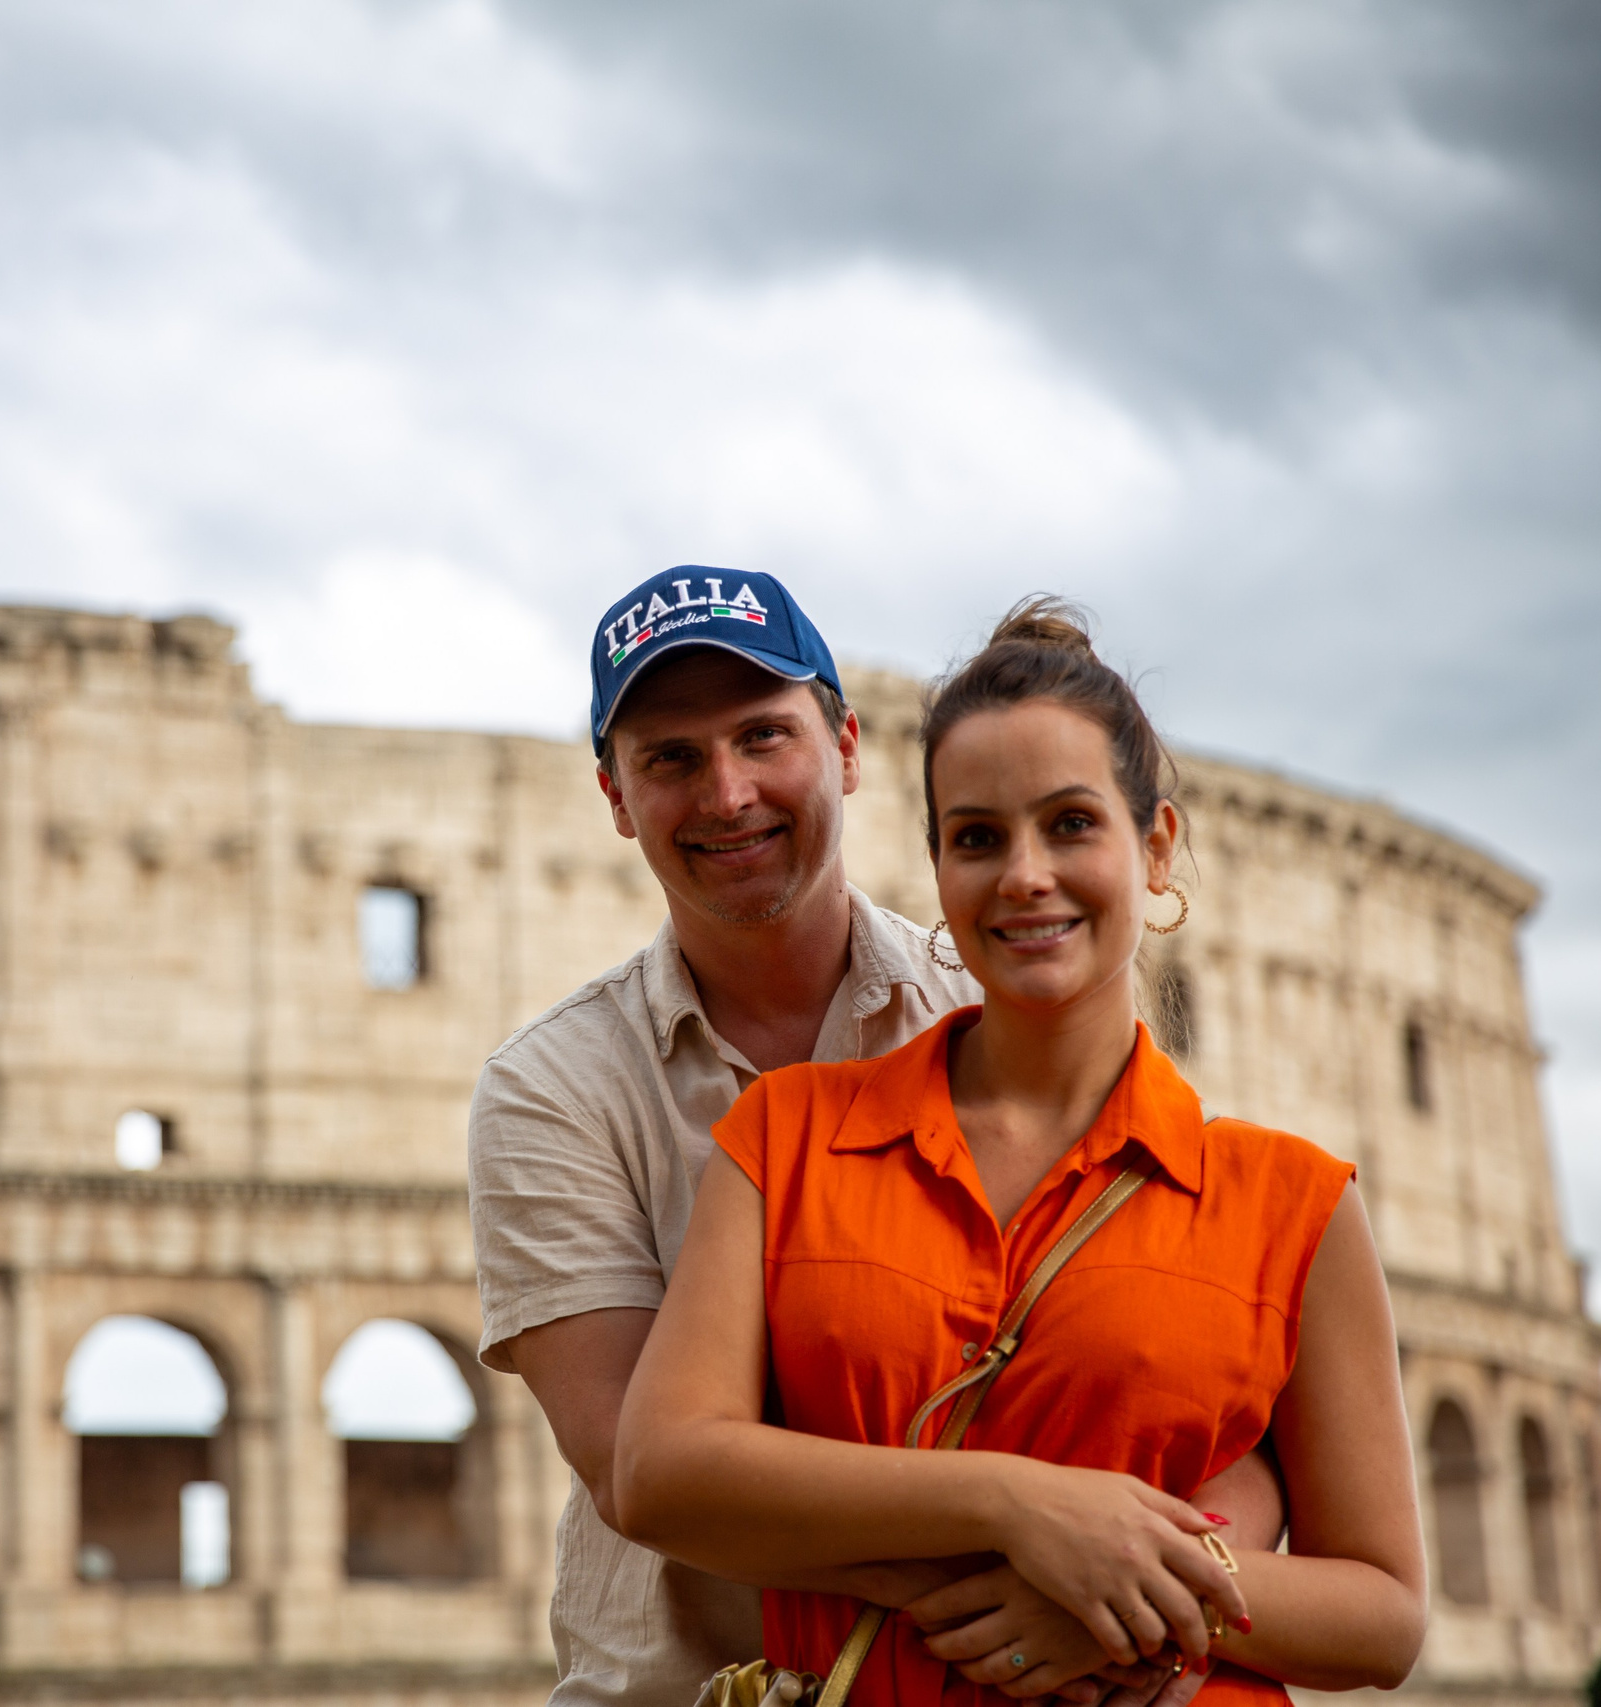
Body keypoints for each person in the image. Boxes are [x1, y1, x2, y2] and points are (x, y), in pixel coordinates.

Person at [468, 571, 1283, 1707]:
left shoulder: (1002, 989)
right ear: (613, 796)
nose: (728, 792)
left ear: (847, 747)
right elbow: (635, 1474)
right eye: (670, 758)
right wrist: (1053, 1576)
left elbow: (1192, 1373)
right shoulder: (550, 1090)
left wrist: (1131, 1589)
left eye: (764, 736)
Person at [610, 599, 1428, 1704]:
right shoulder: (782, 1138)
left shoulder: (1295, 1203)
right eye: (978, 837)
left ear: (1156, 844)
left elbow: (1380, 1617)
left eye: (1072, 824)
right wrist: (1021, 1512)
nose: (1025, 875)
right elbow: (663, 1475)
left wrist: (1128, 1597)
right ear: (938, 868)